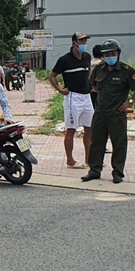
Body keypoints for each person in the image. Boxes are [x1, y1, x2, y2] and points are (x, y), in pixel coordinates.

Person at [82, 39, 135, 184]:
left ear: (118, 53)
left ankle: (117, 172)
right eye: (107, 54)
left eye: (112, 53)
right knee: (96, 143)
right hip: (100, 112)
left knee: (119, 144)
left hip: (117, 114)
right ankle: (94, 170)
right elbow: (93, 85)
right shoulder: (98, 68)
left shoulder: (126, 70)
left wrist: (130, 102)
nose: (110, 56)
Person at [49, 32, 94, 169]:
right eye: (81, 41)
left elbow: (88, 73)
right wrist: (60, 90)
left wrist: (89, 85)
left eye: (85, 41)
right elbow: (52, 76)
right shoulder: (64, 60)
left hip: (86, 97)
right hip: (73, 97)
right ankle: (70, 160)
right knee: (71, 129)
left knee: (89, 128)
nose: (84, 43)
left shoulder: (87, 57)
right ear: (74, 42)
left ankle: (89, 159)